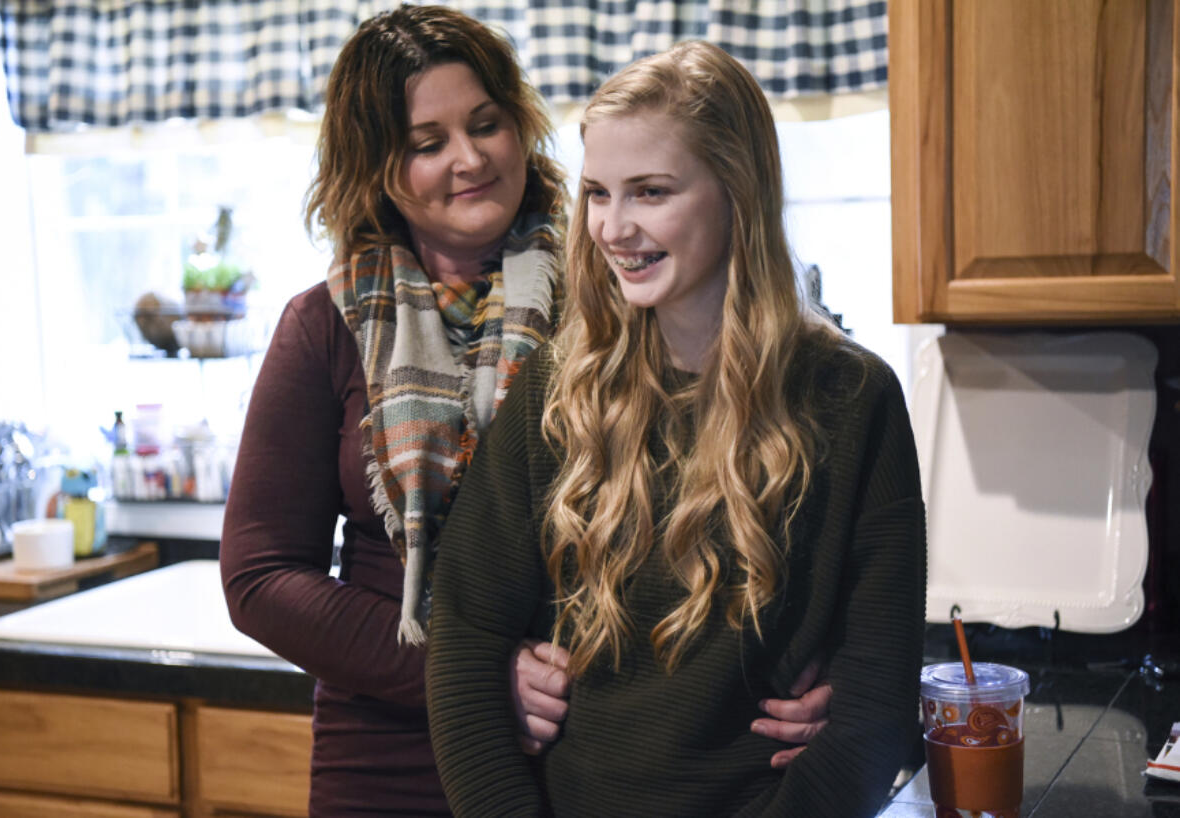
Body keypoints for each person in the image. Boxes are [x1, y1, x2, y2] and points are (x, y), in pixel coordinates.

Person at [220, 8, 831, 815]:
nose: (469, 160)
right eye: (426, 142)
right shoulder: (325, 326)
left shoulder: (629, 288)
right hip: (390, 763)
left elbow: (783, 474)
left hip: (600, 749)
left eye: (486, 125)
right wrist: (470, 674)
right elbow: (261, 577)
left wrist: (834, 661)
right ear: (374, 165)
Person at [426, 40, 926, 818]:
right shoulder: (560, 391)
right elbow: (464, 640)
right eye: (598, 193)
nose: (613, 228)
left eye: (651, 192)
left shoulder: (852, 399)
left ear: (738, 191)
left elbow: (873, 709)